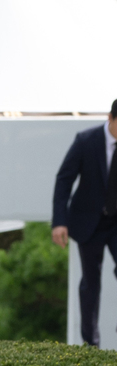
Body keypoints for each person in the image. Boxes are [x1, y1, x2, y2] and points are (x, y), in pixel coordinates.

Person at [51, 100, 117, 345]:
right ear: (110, 117)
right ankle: (91, 343)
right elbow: (64, 180)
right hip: (89, 221)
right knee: (91, 282)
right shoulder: (86, 141)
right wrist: (60, 221)